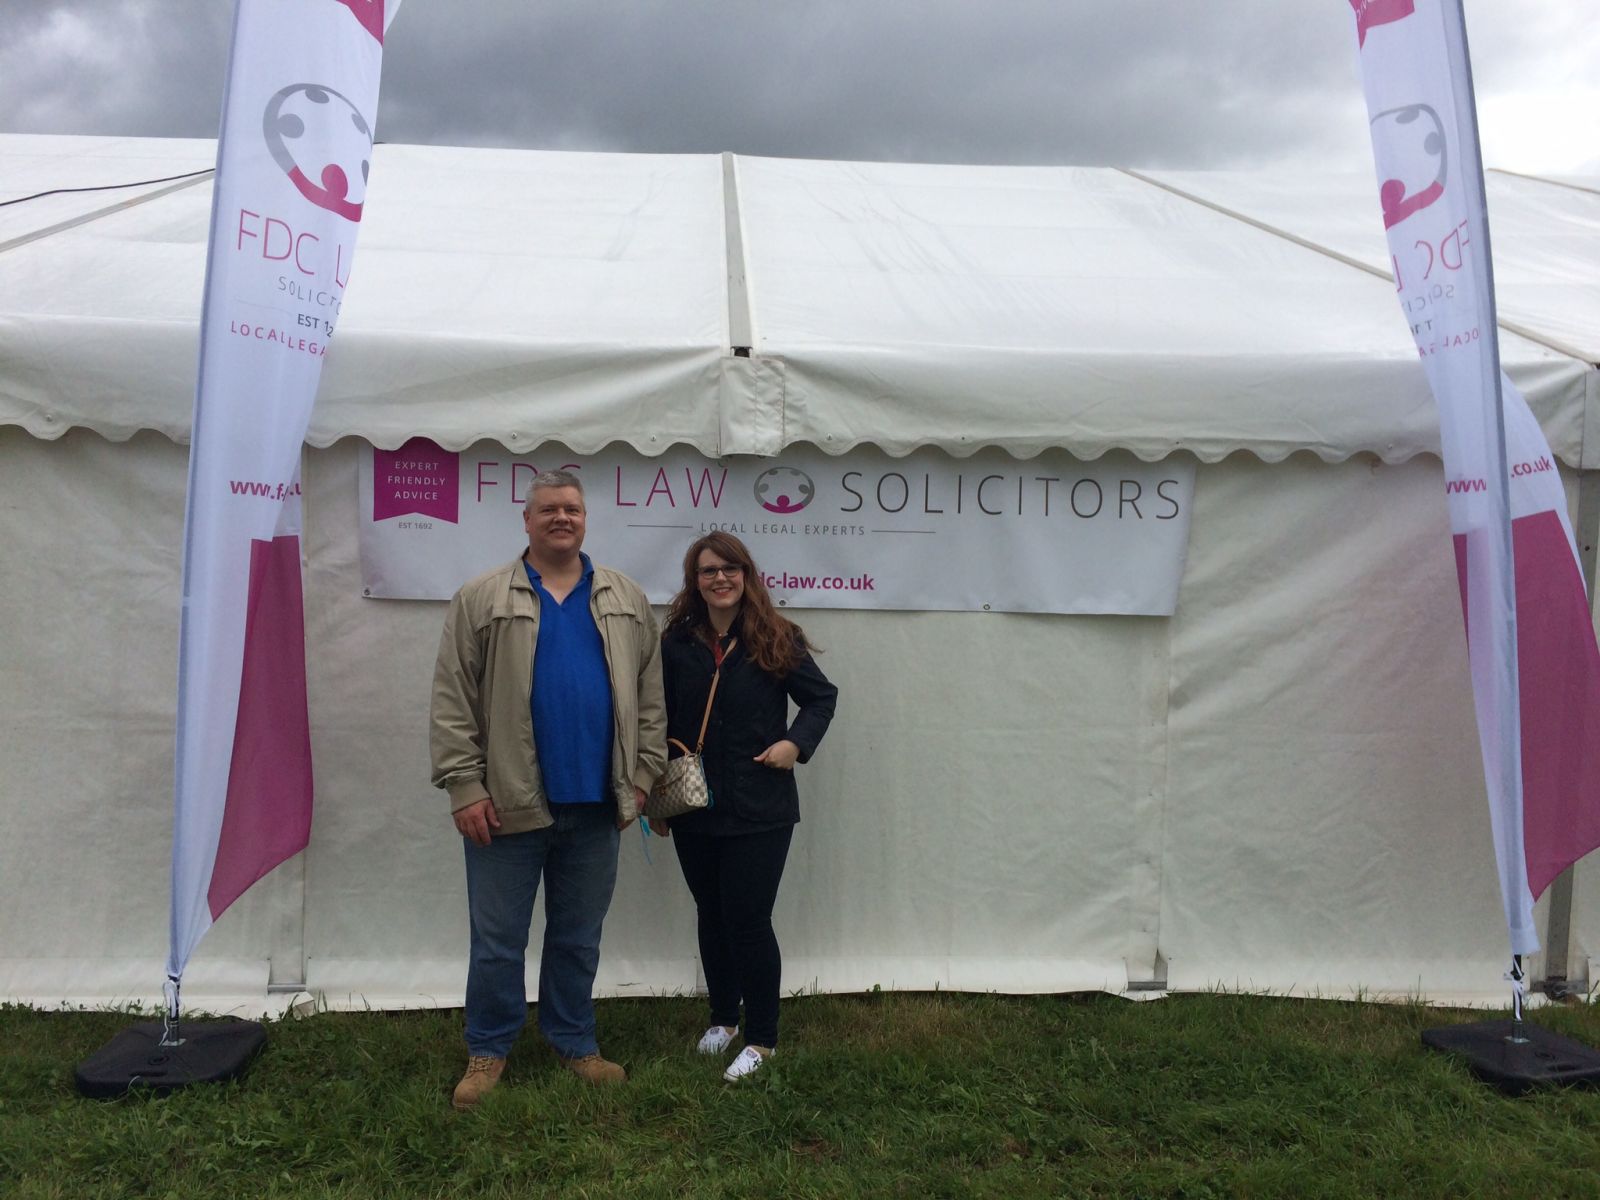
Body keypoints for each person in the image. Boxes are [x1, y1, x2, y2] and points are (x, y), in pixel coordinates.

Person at [430, 469, 666, 1110]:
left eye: (573, 509)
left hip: (596, 805)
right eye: (549, 509)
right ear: (526, 520)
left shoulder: (624, 598)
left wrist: (642, 777)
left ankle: (573, 1041)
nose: (562, 518)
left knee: (576, 935)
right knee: (499, 939)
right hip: (505, 805)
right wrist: (463, 786)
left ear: (585, 519)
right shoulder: (482, 598)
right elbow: (453, 701)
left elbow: (650, 700)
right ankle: (488, 1049)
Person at [651, 531, 837, 1082]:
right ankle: (722, 1020)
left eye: (730, 569)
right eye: (709, 571)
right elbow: (657, 721)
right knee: (712, 914)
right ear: (695, 581)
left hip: (760, 806)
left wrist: (794, 743)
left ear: (747, 575)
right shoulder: (677, 643)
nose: (721, 579)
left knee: (749, 921)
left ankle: (763, 1038)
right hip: (694, 804)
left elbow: (821, 698)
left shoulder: (777, 637)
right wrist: (654, 798)